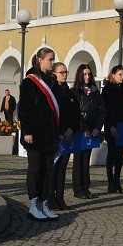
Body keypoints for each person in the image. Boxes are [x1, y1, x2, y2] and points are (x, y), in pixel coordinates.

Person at [17, 47, 61, 222]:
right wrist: (27, 131)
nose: (52, 62)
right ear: (40, 60)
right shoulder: (29, 82)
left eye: (53, 59)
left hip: (50, 134)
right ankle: (34, 204)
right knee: (35, 169)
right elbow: (24, 109)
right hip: (35, 134)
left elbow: (58, 107)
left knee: (47, 170)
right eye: (50, 59)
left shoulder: (52, 81)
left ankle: (44, 203)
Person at [46, 62, 79, 210]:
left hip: (68, 135)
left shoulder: (69, 92)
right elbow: (50, 114)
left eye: (66, 72)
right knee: (53, 168)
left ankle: (60, 197)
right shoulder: (51, 91)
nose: (65, 75)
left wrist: (72, 128)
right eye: (62, 72)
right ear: (54, 74)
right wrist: (58, 132)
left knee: (63, 168)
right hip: (56, 135)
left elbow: (76, 113)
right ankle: (50, 198)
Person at [72, 64, 105, 199]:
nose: (87, 77)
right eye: (84, 74)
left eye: (89, 74)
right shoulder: (75, 91)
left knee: (87, 159)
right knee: (78, 159)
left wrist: (97, 127)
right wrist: (84, 128)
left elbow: (101, 111)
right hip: (80, 130)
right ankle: (78, 188)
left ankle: (86, 187)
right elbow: (75, 113)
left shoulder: (95, 91)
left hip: (93, 130)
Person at [102, 65, 123, 194]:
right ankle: (110, 182)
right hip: (112, 126)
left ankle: (117, 181)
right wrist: (110, 125)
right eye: (120, 74)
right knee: (111, 154)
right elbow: (105, 109)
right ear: (113, 75)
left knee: (120, 156)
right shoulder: (107, 90)